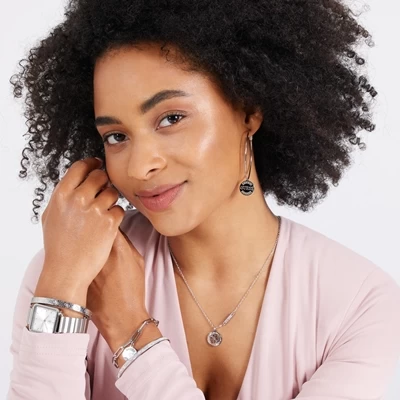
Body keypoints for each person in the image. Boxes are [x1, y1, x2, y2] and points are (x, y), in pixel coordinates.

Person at [7, 0, 400, 399]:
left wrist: (129, 331)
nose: (140, 167)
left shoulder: (359, 303)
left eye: (171, 118)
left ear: (248, 111)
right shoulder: (73, 269)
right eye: (117, 136)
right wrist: (61, 286)